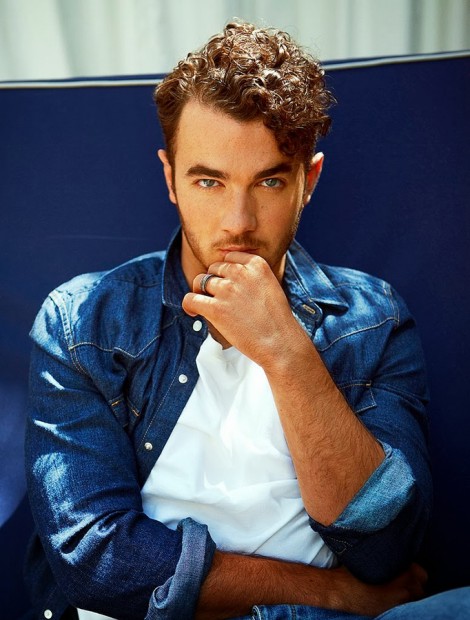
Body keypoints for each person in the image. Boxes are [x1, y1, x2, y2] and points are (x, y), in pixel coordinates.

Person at [24, 21, 469, 620]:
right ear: (170, 179)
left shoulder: (372, 319)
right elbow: (97, 558)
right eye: (209, 181)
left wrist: (286, 352)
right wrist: (333, 593)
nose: (238, 221)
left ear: (308, 181)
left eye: (270, 180)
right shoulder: (84, 322)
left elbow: (387, 549)